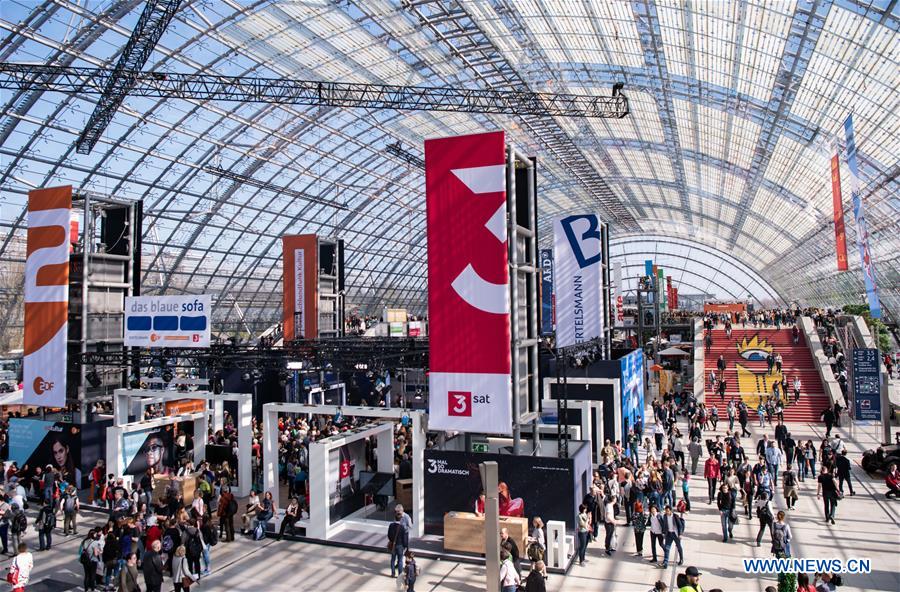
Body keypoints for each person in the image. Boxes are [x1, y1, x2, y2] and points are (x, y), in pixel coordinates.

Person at [388, 507, 410, 578]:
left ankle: (393, 573)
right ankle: (400, 574)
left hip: (393, 545)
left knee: (393, 559)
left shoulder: (391, 525)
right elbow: (404, 538)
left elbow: (389, 535)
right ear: (400, 519)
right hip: (400, 546)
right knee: (400, 560)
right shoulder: (402, 527)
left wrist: (392, 541)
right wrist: (405, 546)